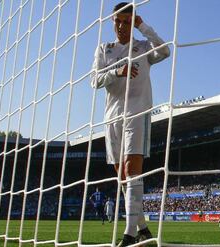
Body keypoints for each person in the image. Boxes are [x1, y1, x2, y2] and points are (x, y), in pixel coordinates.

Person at [90, 2, 170, 246]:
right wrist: (117, 72)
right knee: (122, 178)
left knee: (131, 169)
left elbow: (165, 51)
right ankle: (143, 227)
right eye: (118, 21)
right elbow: (94, 80)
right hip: (111, 116)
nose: (122, 26)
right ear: (112, 21)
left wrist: (143, 26)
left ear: (133, 22)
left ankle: (129, 234)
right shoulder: (105, 49)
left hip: (137, 112)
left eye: (127, 21)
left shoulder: (144, 47)